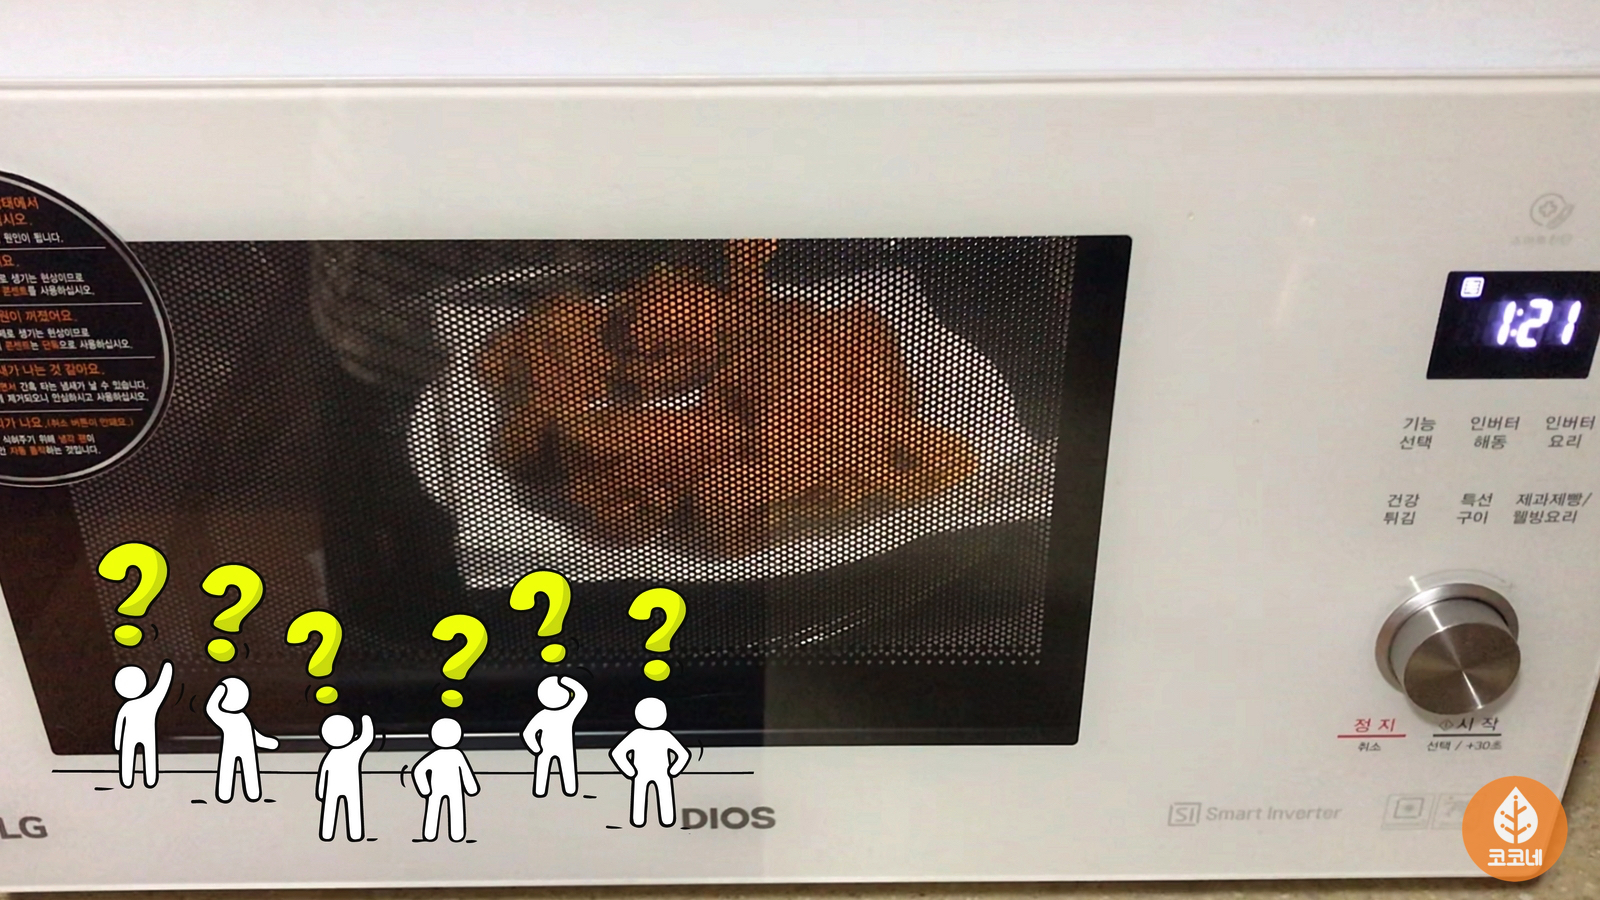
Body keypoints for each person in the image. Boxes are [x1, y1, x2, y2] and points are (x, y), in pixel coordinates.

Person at [609, 697, 690, 828]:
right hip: (651, 773)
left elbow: (683, 754)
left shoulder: (660, 735)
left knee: (654, 795)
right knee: (648, 795)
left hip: (654, 773)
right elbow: (618, 753)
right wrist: (630, 771)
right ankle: (653, 820)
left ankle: (653, 820)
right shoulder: (648, 735)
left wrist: (630, 771)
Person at [205, 677, 279, 802]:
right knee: (228, 769)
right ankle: (225, 794)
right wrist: (221, 689)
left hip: (247, 749)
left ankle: (252, 793)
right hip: (231, 748)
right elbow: (211, 709)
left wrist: (267, 742)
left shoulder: (243, 718)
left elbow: (254, 734)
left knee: (249, 768)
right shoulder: (224, 717)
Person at [521, 675, 588, 798]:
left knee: (560, 768)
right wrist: (566, 681)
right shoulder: (567, 712)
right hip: (553, 749)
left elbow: (528, 733)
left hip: (553, 749)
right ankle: (566, 790)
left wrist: (536, 748)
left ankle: (551, 790)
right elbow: (581, 696)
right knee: (552, 768)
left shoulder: (559, 713)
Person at [414, 717, 479, 842]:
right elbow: (419, 770)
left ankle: (432, 834)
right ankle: (455, 834)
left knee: (439, 808)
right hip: (447, 788)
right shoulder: (454, 755)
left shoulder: (448, 755)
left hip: (444, 788)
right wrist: (471, 788)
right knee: (451, 808)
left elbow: (419, 770)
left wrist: (425, 789)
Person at [112, 660, 173, 789]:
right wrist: (168, 668)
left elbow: (119, 725)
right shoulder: (148, 702)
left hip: (132, 737)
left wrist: (117, 742)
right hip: (144, 736)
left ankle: (129, 780)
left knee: (130, 756)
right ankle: (148, 779)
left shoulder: (130, 706)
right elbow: (162, 687)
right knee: (146, 755)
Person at [316, 713, 376, 842]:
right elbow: (366, 738)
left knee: (331, 810)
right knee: (352, 808)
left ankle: (328, 834)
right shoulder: (353, 749)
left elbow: (324, 773)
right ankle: (355, 834)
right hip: (348, 787)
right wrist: (366, 719)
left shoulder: (332, 755)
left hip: (335, 788)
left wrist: (321, 792)